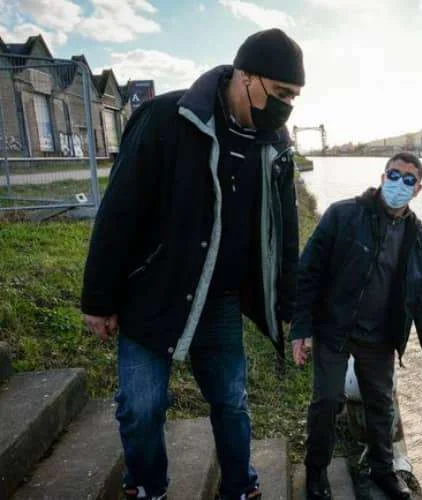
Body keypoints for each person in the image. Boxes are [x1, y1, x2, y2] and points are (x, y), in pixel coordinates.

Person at [80, 29, 304, 500]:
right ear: (246, 76)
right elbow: (120, 210)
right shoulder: (169, 118)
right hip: (154, 294)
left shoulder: (275, 144)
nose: (286, 106)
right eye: (281, 93)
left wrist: (289, 301)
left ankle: (240, 487)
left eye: (294, 97)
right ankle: (147, 486)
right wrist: (99, 299)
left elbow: (283, 231)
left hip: (219, 301)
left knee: (231, 401)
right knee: (140, 407)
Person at [290, 152, 422, 500]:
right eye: (394, 175)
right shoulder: (344, 215)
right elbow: (309, 273)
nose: (400, 183)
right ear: (383, 177)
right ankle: (316, 471)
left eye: (409, 179)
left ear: (418, 189)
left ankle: (383, 471)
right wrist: (301, 327)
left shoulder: (420, 240)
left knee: (381, 407)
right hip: (334, 328)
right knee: (327, 400)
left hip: (379, 338)